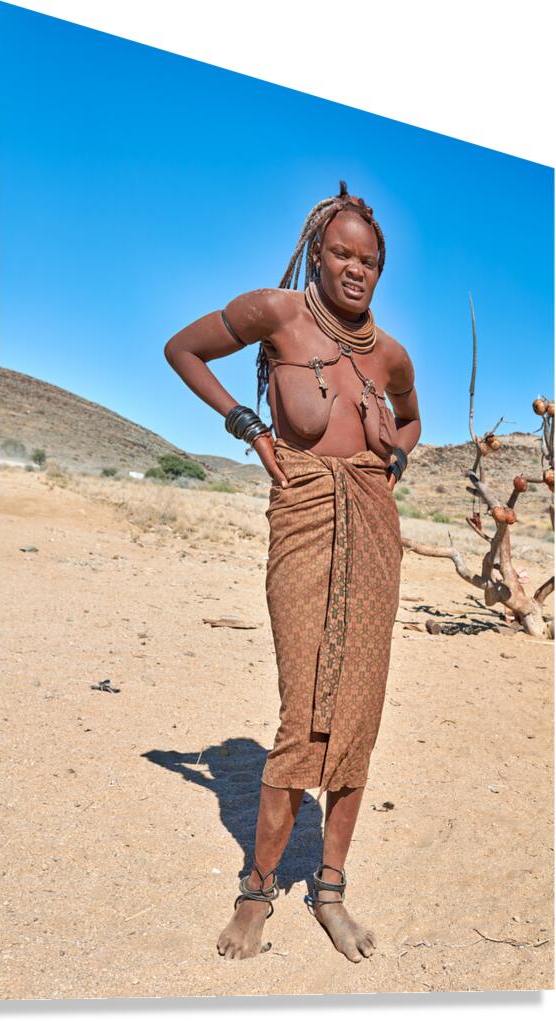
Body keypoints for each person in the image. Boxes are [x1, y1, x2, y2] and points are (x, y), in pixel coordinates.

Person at [164, 180, 421, 963]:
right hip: (304, 514)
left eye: (368, 260)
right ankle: (256, 889)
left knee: (360, 710)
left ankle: (331, 890)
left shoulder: (390, 353)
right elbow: (184, 348)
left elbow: (411, 416)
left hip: (374, 522)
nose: (355, 269)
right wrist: (246, 425)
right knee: (302, 704)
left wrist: (396, 450)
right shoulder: (276, 314)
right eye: (341, 253)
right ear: (318, 251)